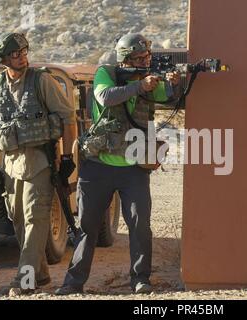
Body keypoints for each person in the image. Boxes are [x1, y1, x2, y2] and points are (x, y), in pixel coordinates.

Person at [55, 33, 181, 295]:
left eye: (148, 57)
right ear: (125, 59)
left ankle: (140, 279)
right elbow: (105, 97)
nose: (146, 61)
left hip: (134, 168)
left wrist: (174, 84)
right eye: (140, 58)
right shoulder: (107, 73)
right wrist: (139, 86)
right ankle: (73, 283)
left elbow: (170, 100)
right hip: (98, 164)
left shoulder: (149, 79)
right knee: (87, 228)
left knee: (139, 226)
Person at [0, 33, 77, 295]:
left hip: (40, 161)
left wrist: (68, 157)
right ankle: (42, 278)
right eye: (16, 54)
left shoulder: (41, 81)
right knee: (19, 223)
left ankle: (24, 282)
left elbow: (67, 118)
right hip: (10, 163)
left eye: (24, 51)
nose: (22, 57)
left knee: (35, 221)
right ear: (4, 59)